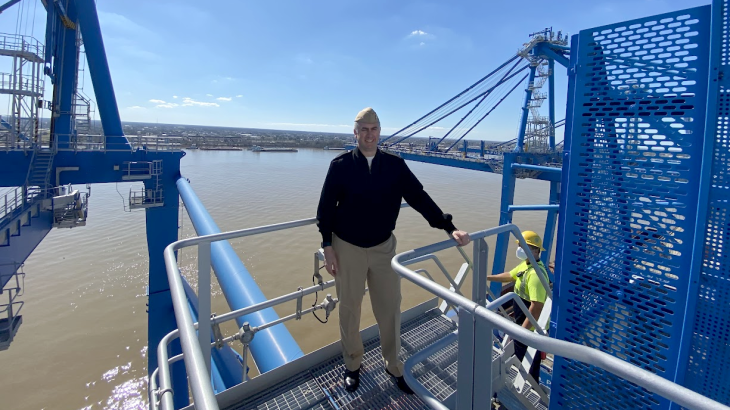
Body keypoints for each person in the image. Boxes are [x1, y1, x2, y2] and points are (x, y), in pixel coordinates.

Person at [316, 107, 471, 394]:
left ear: (379, 132)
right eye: (363, 129)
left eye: (374, 129)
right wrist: (328, 247)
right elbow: (325, 210)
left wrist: (450, 228)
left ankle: (394, 365)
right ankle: (352, 365)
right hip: (347, 246)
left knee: (389, 309)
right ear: (355, 133)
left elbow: (418, 197)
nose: (369, 134)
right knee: (349, 309)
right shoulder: (340, 166)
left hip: (383, 247)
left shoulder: (395, 166)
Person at [488, 230, 549, 384]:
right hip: (522, 322)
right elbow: (510, 275)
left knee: (529, 360)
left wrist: (522, 331)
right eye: (520, 245)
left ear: (536, 250)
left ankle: (531, 386)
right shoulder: (527, 264)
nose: (520, 248)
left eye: (525, 246)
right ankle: (524, 381)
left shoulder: (535, 274)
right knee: (522, 356)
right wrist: (488, 277)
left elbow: (536, 307)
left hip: (529, 328)